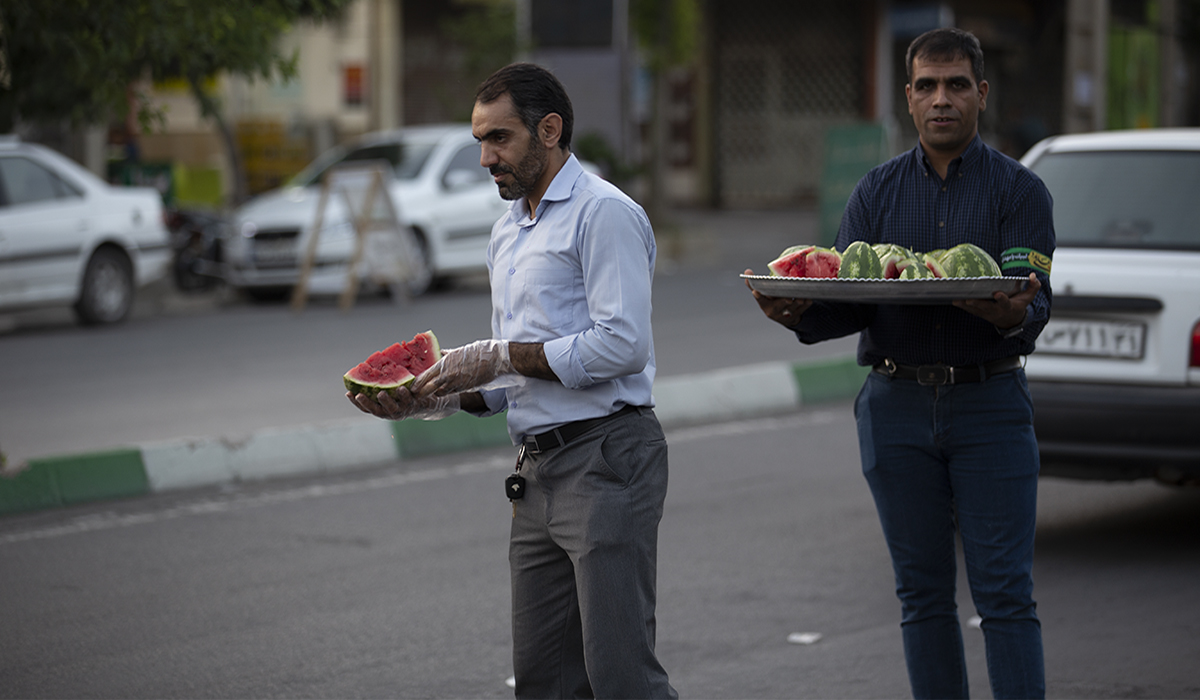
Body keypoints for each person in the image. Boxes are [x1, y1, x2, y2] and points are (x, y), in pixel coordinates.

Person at [349, 62, 677, 700]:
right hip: (536, 474)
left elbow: (622, 344)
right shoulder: (507, 231)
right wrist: (428, 397)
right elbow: (506, 381)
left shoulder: (604, 213)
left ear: (549, 130)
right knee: (545, 681)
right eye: (479, 140)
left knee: (621, 678)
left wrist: (498, 355)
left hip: (607, 457)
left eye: (498, 138)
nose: (484, 158)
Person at [746, 28, 1053, 700]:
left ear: (981, 94)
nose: (942, 99)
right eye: (927, 86)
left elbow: (1035, 303)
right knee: (921, 595)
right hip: (896, 409)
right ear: (909, 99)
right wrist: (796, 312)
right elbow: (852, 300)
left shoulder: (1021, 193)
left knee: (1005, 594)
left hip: (990, 407)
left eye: (956, 85)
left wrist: (1011, 312)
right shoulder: (875, 194)